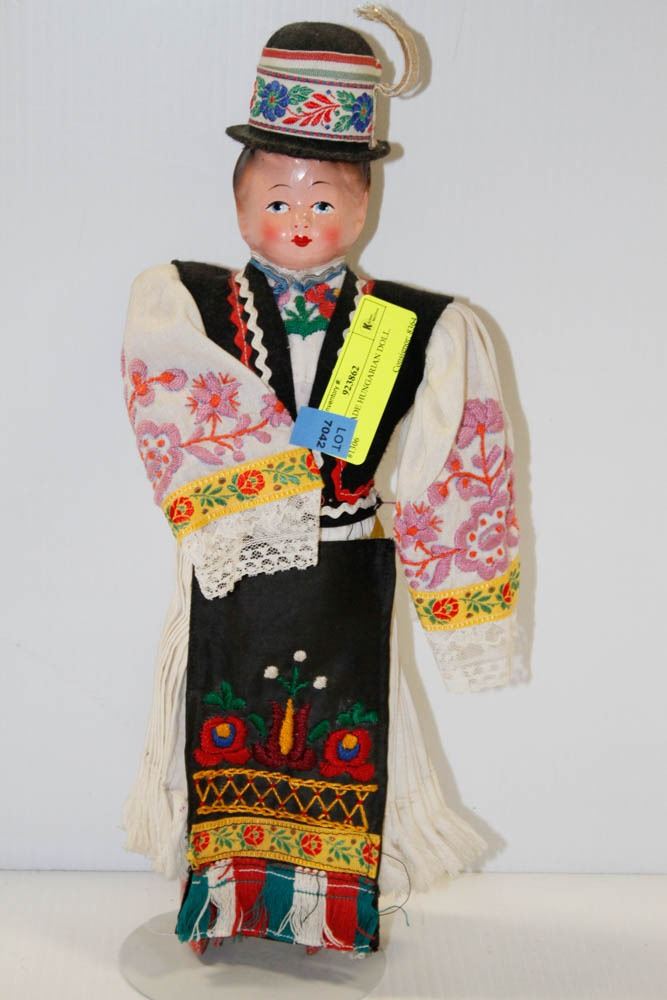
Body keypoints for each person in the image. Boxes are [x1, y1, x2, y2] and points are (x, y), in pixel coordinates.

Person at [122, 13, 521, 957]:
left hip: (346, 572)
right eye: (275, 198)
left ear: (365, 205)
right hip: (231, 574)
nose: (299, 219)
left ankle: (326, 916)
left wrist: (456, 592)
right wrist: (268, 497)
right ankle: (220, 901)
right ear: (238, 204)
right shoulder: (185, 305)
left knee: (343, 738)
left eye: (324, 199)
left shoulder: (413, 326)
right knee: (220, 731)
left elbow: (455, 462)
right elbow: (172, 404)